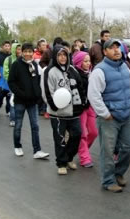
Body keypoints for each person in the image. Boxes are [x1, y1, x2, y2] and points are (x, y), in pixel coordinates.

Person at [87, 39, 130, 192]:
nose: (116, 50)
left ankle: (118, 173)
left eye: (118, 47)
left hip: (127, 114)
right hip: (109, 118)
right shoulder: (99, 70)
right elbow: (94, 95)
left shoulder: (125, 67)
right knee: (107, 150)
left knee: (129, 146)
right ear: (104, 52)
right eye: (112, 48)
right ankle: (108, 181)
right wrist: (105, 114)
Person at [41, 45, 84, 175]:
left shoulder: (72, 70)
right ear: (55, 56)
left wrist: (82, 103)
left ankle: (69, 157)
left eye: (64, 55)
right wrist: (54, 107)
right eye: (59, 55)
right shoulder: (49, 71)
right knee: (59, 138)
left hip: (73, 112)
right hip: (58, 113)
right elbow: (47, 92)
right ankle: (61, 163)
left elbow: (80, 87)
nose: (62, 57)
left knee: (77, 135)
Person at [8, 43, 49, 159]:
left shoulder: (35, 65)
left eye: (30, 51)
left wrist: (37, 95)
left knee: (35, 126)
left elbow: (38, 81)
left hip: (32, 102)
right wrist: (21, 93)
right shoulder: (16, 65)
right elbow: (11, 82)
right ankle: (17, 146)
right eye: (25, 51)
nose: (27, 54)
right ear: (21, 52)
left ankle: (37, 150)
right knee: (18, 125)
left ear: (32, 52)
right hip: (20, 101)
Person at [73, 51, 98, 168]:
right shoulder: (74, 74)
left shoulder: (91, 74)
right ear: (79, 62)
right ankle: (84, 157)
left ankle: (82, 150)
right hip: (80, 108)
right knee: (83, 133)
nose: (88, 63)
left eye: (89, 61)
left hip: (91, 107)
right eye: (85, 61)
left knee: (93, 132)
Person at [3, 43, 22, 127]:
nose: (19, 51)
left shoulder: (23, 59)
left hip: (22, 84)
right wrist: (11, 81)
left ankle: (18, 117)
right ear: (14, 50)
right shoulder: (8, 59)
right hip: (13, 84)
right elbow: (5, 72)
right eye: (18, 49)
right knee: (13, 101)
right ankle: (13, 119)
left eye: (21, 49)